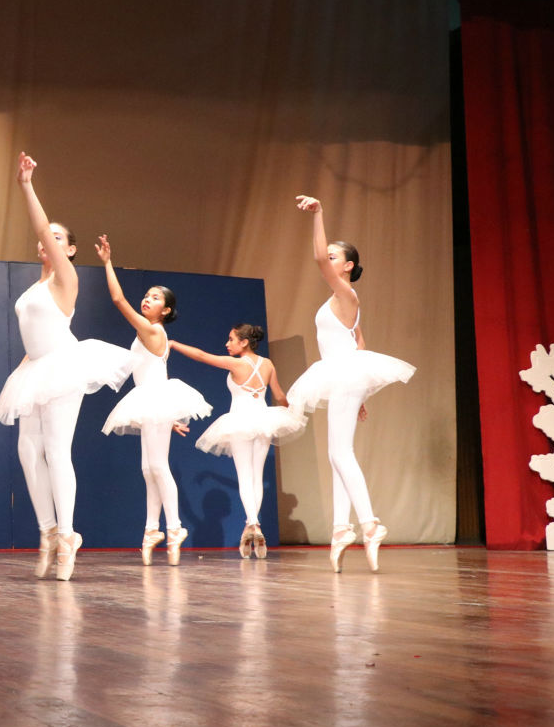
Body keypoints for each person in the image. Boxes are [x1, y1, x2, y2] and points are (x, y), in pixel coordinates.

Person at [0, 153, 133, 581]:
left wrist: (26, 185)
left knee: (56, 452)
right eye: (47, 237)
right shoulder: (36, 285)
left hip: (65, 367)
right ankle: (48, 531)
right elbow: (36, 333)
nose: (47, 240)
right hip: (35, 369)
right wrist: (23, 369)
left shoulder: (65, 279)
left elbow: (40, 227)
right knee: (27, 452)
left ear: (68, 249)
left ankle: (69, 534)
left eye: (56, 238)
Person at [288, 196, 415, 572]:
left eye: (333, 256)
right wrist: (362, 391)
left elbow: (315, 260)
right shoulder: (340, 301)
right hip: (344, 374)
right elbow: (359, 342)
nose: (327, 259)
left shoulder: (347, 293)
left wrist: (319, 214)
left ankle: (370, 524)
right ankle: (342, 528)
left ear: (347, 266)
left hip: (343, 372)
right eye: (328, 255)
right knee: (335, 453)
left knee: (341, 454)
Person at [95, 235, 211, 566]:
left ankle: (173, 527)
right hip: (153, 400)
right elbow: (157, 369)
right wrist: (170, 415)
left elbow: (118, 299)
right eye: (146, 295)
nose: (147, 299)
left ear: (166, 309)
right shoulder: (151, 334)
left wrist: (106, 262)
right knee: (148, 468)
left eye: (154, 297)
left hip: (154, 399)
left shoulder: (152, 329)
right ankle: (151, 529)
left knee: (157, 466)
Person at [169, 324, 305, 559]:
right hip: (264, 420)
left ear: (244, 342)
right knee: (256, 477)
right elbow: (280, 396)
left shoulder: (236, 363)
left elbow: (202, 356)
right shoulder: (268, 364)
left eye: (231, 339)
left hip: (241, 421)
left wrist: (173, 344)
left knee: (244, 476)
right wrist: (293, 411)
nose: (227, 343)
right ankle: (252, 526)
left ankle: (253, 524)